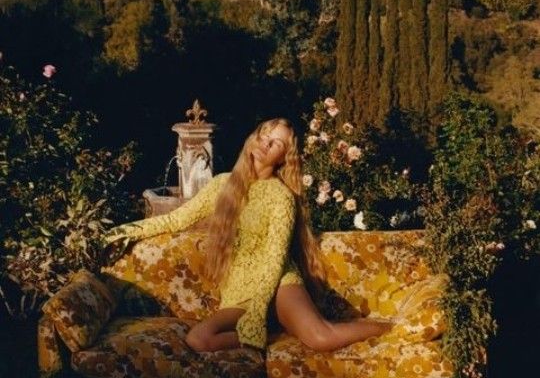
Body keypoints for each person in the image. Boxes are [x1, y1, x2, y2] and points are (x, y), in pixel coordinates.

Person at [102, 118, 393, 353]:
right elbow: (176, 219)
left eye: (276, 142)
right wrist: (121, 232)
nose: (266, 143)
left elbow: (275, 257)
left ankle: (389, 328)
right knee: (198, 339)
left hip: (278, 284)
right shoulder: (222, 185)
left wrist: (257, 310)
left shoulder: (281, 197)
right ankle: (268, 335)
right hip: (239, 294)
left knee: (319, 338)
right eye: (264, 134)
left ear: (283, 158)